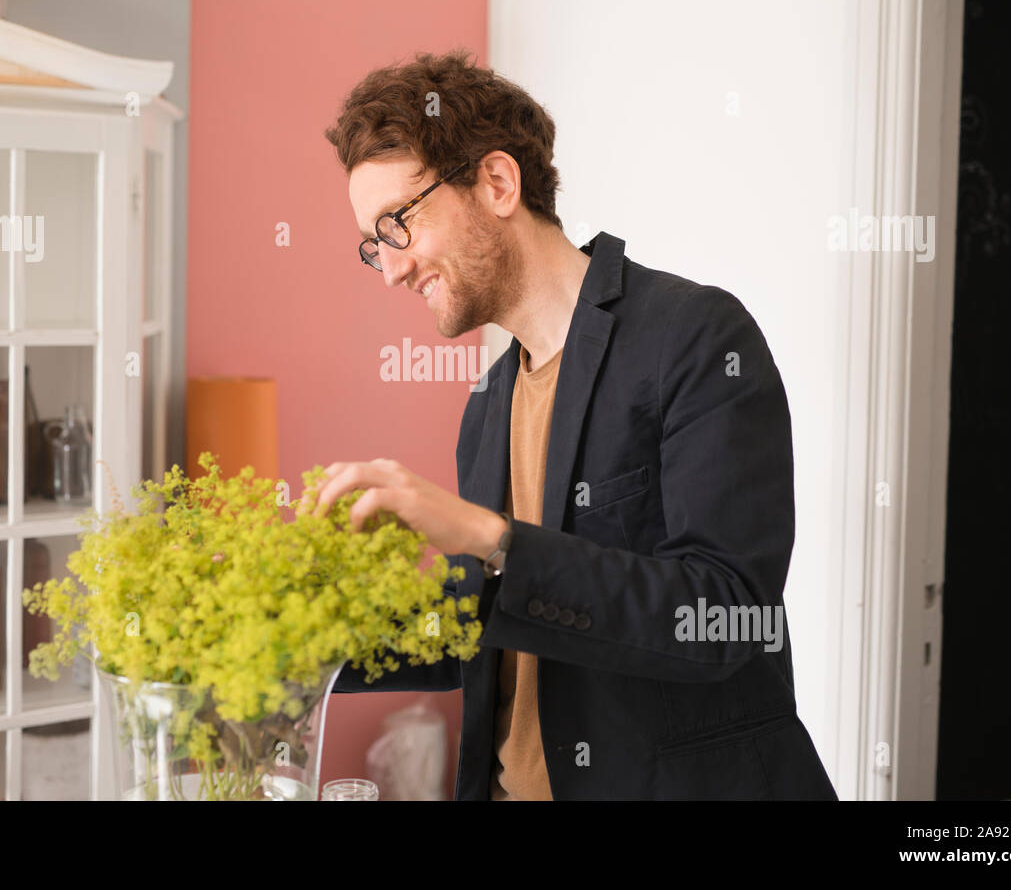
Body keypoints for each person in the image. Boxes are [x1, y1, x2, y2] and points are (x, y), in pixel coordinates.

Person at [314, 49, 836, 801]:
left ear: (496, 183)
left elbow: (730, 616)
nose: (391, 268)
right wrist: (307, 639)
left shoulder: (695, 337)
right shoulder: (487, 405)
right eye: (375, 244)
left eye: (398, 223)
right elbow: (489, 627)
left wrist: (490, 536)